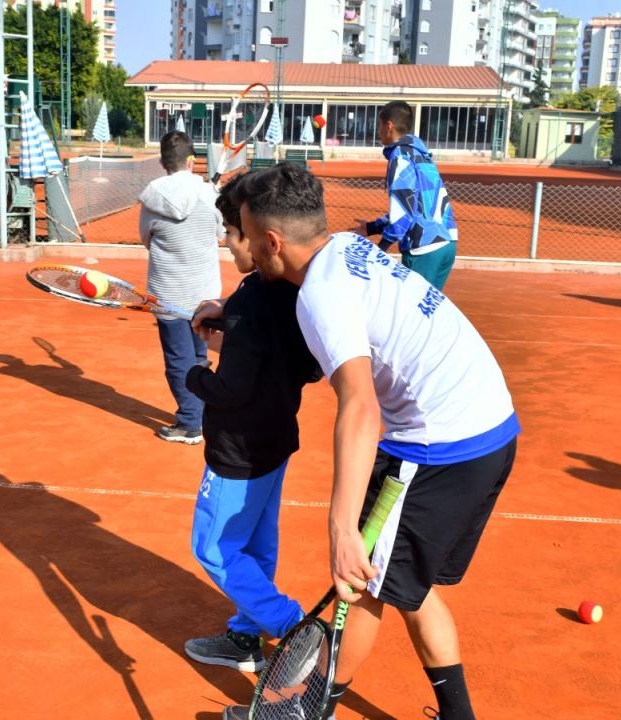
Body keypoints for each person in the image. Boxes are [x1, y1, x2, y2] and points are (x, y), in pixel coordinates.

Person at [208, 163, 520, 720]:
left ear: (272, 240)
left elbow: (359, 407)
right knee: (409, 586)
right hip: (489, 429)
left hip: (437, 446)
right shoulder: (347, 250)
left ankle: (304, 711)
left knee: (363, 587)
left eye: (250, 239)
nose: (248, 250)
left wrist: (342, 528)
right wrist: (228, 324)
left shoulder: (321, 296)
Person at [181, 176, 321, 673]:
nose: (228, 240)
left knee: (215, 548)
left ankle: (291, 625)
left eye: (234, 232)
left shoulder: (246, 305)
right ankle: (245, 635)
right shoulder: (292, 288)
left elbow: (230, 390)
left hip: (237, 453)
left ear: (261, 236)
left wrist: (193, 374)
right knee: (257, 545)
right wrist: (228, 319)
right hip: (276, 440)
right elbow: (307, 365)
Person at [138, 130, 223, 444]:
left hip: (168, 292)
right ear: (192, 161)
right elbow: (221, 235)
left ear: (162, 162)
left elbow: (146, 240)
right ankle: (200, 413)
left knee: (178, 358)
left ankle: (190, 422)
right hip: (205, 293)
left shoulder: (151, 199)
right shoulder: (210, 194)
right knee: (199, 354)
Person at [358, 100, 458, 290]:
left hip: (424, 248)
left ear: (389, 126)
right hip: (447, 243)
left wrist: (381, 248)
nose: (378, 130)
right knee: (426, 311)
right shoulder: (419, 153)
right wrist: (371, 227)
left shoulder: (400, 157)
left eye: (379, 125)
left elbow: (404, 212)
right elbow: (414, 207)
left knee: (410, 311)